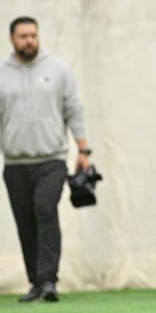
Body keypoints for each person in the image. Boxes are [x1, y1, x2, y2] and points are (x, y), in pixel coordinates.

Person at [1, 16, 92, 303]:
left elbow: (74, 109)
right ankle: (36, 283)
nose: (29, 40)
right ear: (12, 39)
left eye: (33, 35)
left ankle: (49, 280)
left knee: (45, 210)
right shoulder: (2, 73)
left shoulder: (59, 70)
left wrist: (84, 150)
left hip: (52, 159)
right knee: (25, 223)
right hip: (15, 163)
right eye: (23, 36)